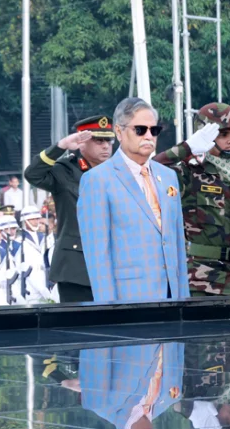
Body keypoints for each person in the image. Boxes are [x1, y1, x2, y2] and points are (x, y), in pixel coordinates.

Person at [77, 98, 190, 304]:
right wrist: (110, 311)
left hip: (173, 299)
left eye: (153, 131)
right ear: (119, 132)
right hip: (129, 300)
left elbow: (177, 245)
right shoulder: (97, 180)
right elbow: (98, 257)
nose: (148, 136)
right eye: (140, 130)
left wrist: (184, 300)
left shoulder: (168, 176)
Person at [155, 103, 230, 297]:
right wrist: (186, 148)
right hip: (201, 282)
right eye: (223, 135)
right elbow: (150, 170)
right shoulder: (189, 174)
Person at [24, 114, 114, 303]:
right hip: (76, 268)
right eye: (98, 140)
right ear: (81, 142)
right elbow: (33, 174)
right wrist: (61, 146)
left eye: (108, 140)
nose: (106, 146)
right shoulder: (65, 170)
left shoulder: (118, 172)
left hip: (114, 264)